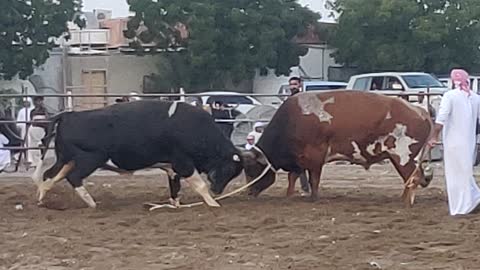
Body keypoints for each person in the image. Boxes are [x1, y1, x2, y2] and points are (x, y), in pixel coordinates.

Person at [428, 68, 480, 216]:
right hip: (469, 142)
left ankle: (460, 206)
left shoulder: (449, 96)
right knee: (465, 171)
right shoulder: (476, 98)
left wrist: (433, 137)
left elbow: (441, 119)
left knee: (454, 174)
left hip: (453, 142)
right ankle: (472, 197)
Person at [288, 76, 311, 196]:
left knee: (303, 162)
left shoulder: (303, 99)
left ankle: (306, 188)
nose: (293, 87)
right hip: (293, 136)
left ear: (300, 85)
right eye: (291, 84)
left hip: (303, 136)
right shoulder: (289, 100)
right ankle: (303, 187)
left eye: (295, 84)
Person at [28, 96, 49, 168]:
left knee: (40, 145)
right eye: (37, 101)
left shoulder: (44, 110)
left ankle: (40, 160)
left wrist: (39, 122)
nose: (39, 102)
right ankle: (35, 161)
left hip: (41, 129)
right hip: (34, 129)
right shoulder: (32, 111)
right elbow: (31, 121)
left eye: (40, 101)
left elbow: (47, 120)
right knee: (33, 145)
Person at [15, 97, 34, 166]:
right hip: (23, 128)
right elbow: (18, 121)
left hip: (32, 128)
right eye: (25, 102)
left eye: (27, 102)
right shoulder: (22, 111)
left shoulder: (33, 110)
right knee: (24, 143)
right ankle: (21, 157)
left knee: (31, 143)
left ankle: (30, 159)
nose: (26, 104)